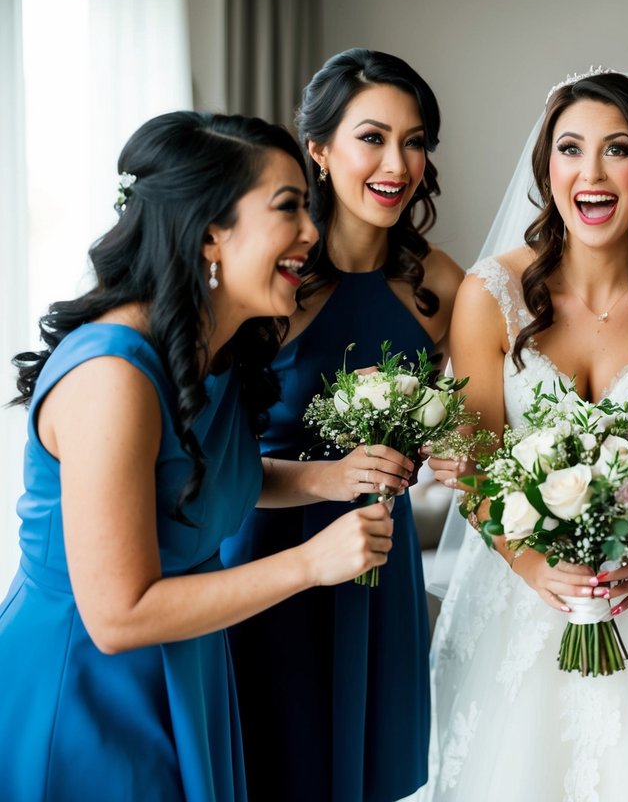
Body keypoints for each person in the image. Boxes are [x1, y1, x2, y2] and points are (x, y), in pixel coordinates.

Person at [0, 111, 394, 801]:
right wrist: (310, 564)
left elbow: (193, 482)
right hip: (91, 689)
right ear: (211, 232)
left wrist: (327, 479)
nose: (312, 231)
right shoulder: (111, 378)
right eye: (289, 207)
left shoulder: (213, 351)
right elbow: (118, 616)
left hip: (190, 664)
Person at [423, 70, 628, 801]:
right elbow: (474, 455)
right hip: (520, 592)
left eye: (616, 149)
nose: (591, 173)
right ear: (546, 171)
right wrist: (532, 564)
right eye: (570, 149)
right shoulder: (488, 295)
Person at [220, 48, 463, 802]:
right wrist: (329, 476)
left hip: (379, 566)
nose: (398, 161)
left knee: (374, 770)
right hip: (265, 555)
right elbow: (210, 461)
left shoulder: (441, 287)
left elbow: (465, 427)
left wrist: (454, 448)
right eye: (372, 137)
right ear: (319, 151)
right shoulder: (270, 278)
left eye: (415, 140)